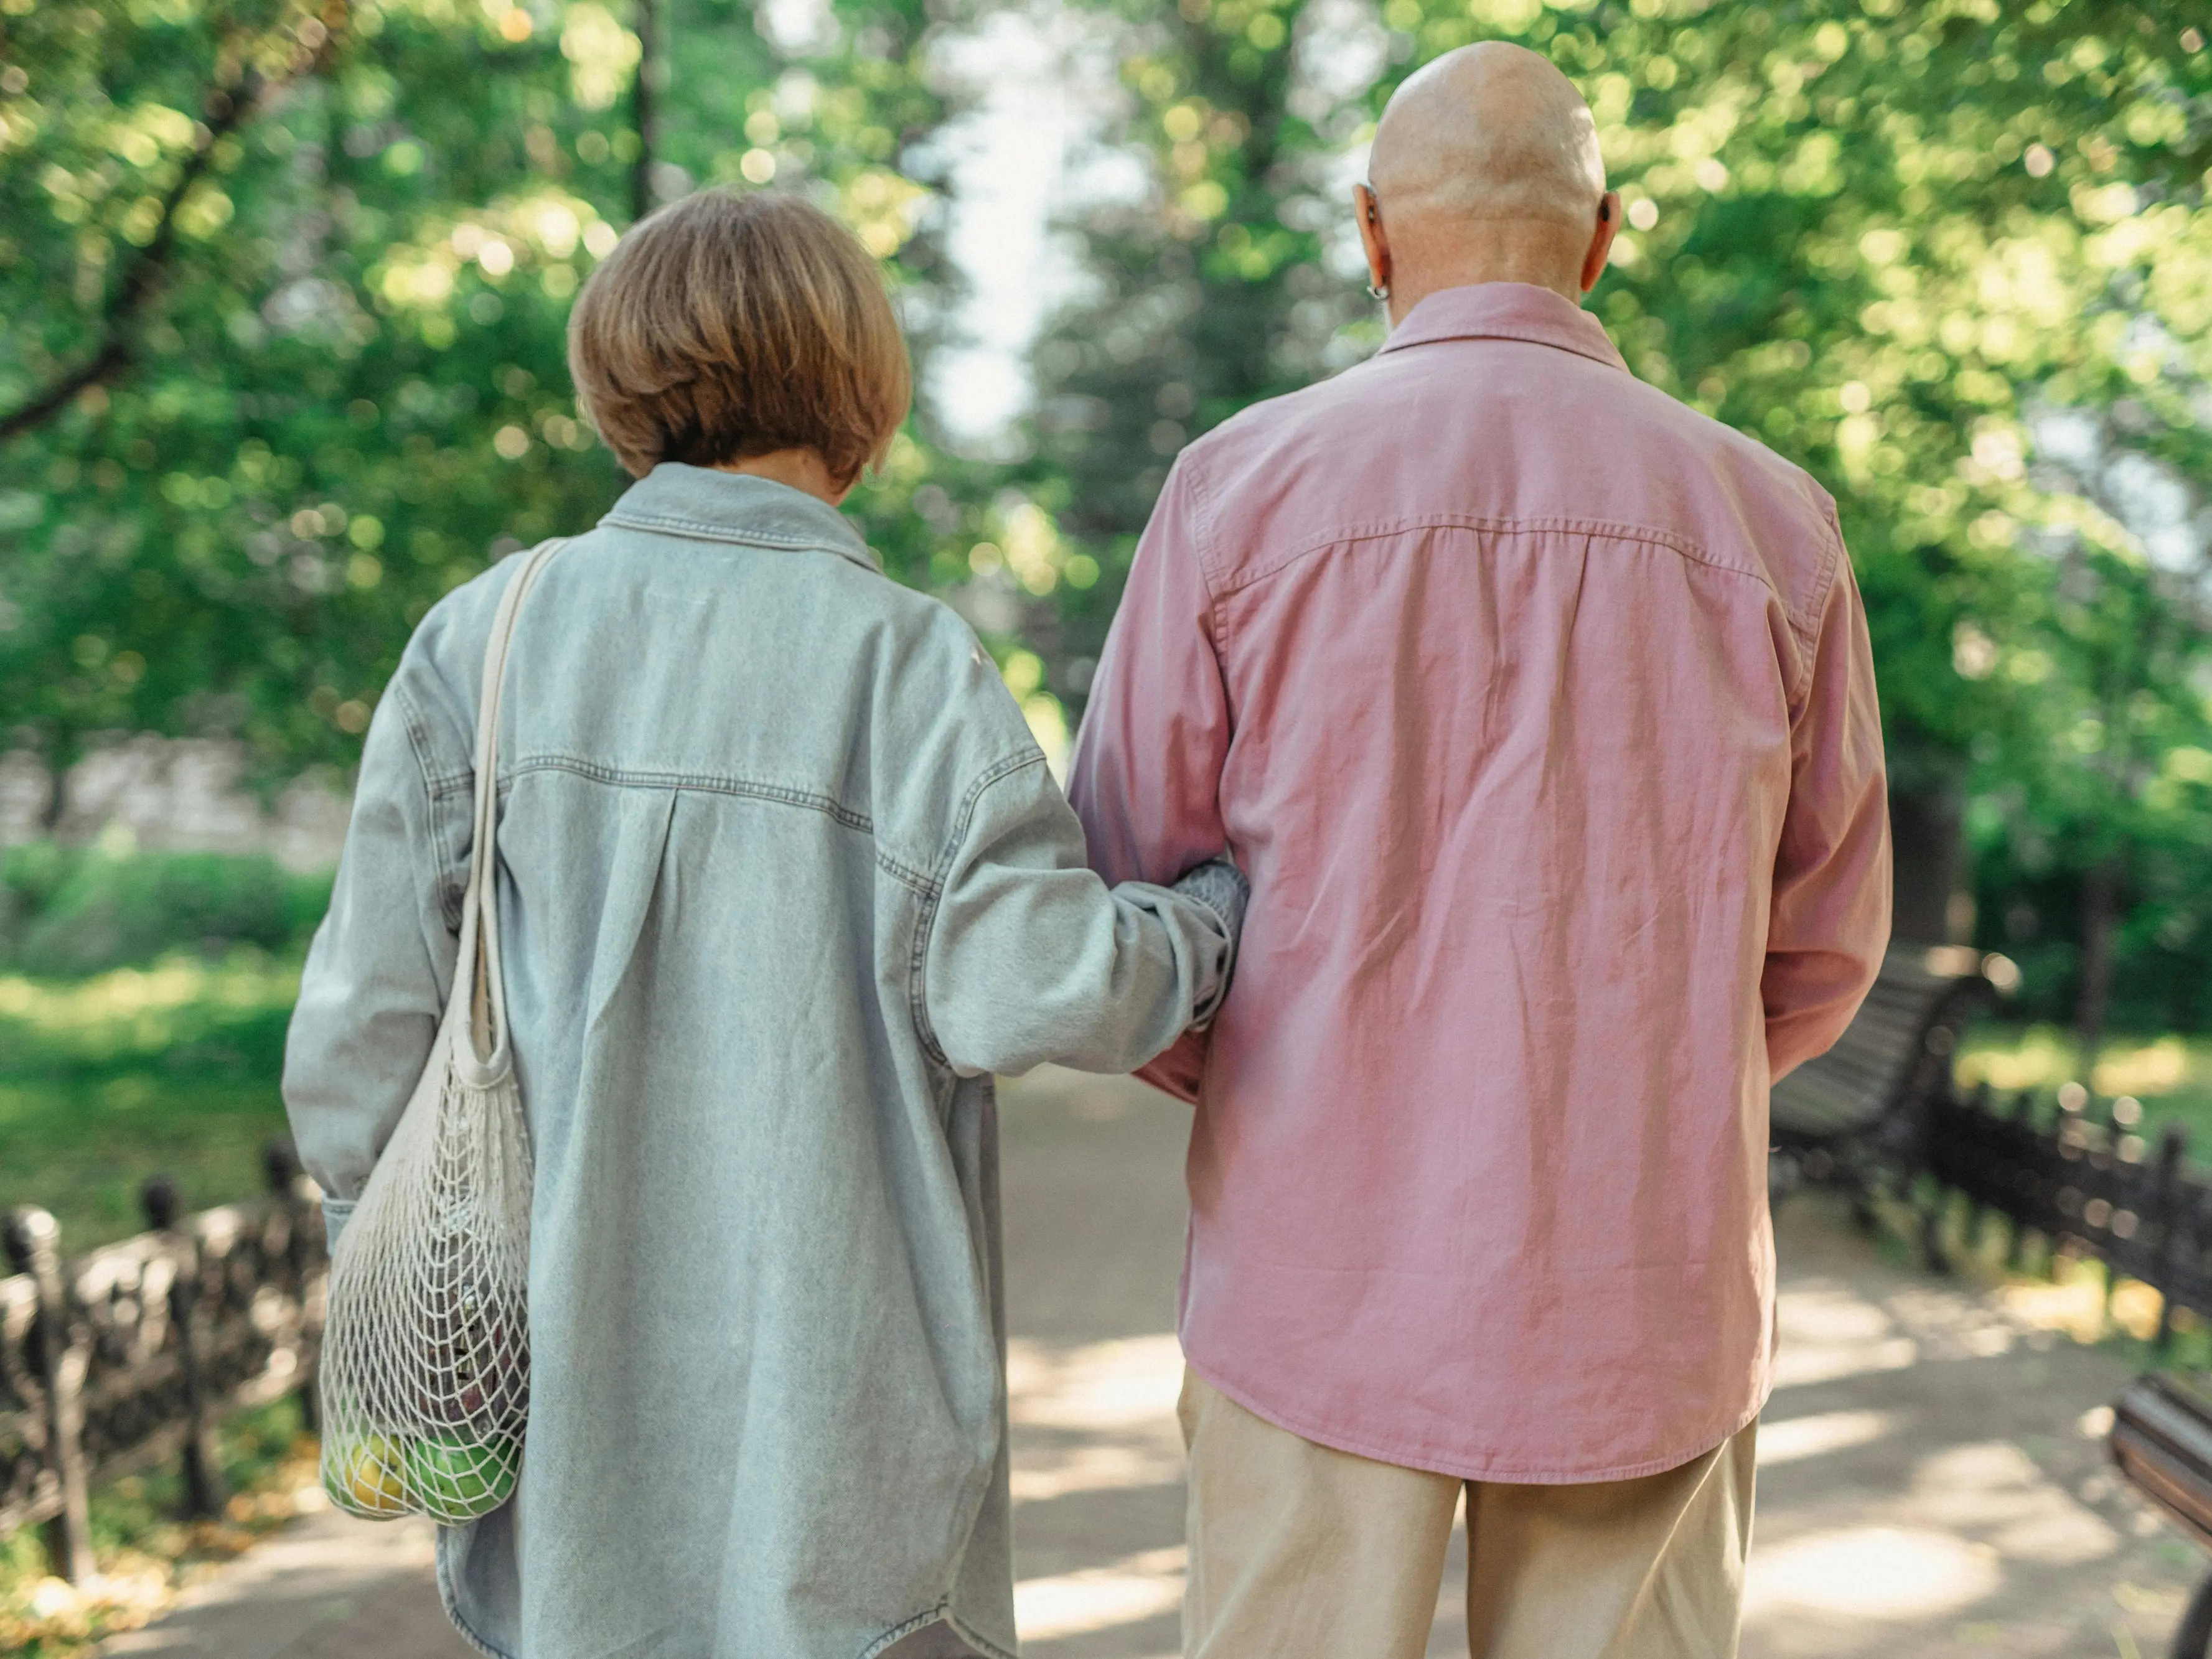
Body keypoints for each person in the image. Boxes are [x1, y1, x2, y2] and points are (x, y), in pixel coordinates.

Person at [282, 188, 1245, 1659]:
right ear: (859, 394)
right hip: (836, 1409)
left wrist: (403, 1278)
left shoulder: (488, 637)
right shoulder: (908, 667)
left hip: (555, 1403)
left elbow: (359, 1042)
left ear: (619, 387)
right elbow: (1036, 989)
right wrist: (1210, 920)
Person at [1066, 41, 1891, 1659]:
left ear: (1371, 237)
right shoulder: (1775, 523)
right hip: (1645, 1279)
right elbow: (1822, 949)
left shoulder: (1235, 492)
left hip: (1316, 1269)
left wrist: (1289, 1082)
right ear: (1602, 242)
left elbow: (1129, 905)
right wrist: (1643, 1086)